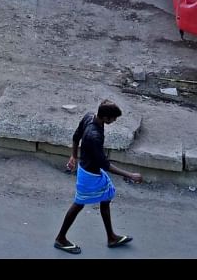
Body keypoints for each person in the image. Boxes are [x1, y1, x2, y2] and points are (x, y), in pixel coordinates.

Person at [53, 100, 142, 254]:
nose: (114, 121)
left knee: (106, 197)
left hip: (90, 170)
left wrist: (74, 156)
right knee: (79, 204)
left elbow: (76, 137)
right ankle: (60, 239)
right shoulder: (94, 137)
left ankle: (111, 237)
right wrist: (130, 175)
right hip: (90, 175)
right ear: (106, 117)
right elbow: (104, 164)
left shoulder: (90, 116)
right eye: (113, 118)